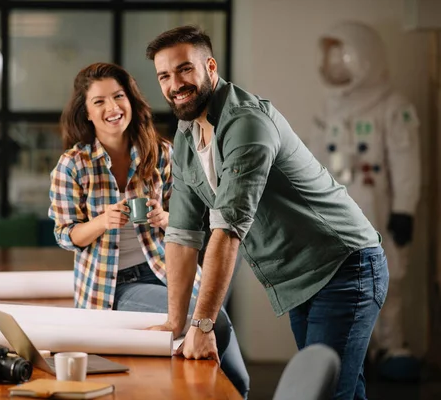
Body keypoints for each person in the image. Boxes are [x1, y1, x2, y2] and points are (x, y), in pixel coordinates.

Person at [145, 26, 389, 400]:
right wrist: (174, 325)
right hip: (301, 280)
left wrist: (203, 324)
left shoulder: (246, 123)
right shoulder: (186, 136)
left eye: (184, 69)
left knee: (323, 392)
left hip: (344, 266)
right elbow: (180, 233)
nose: (175, 84)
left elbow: (226, 229)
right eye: (164, 75)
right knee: (340, 389)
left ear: (210, 66)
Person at [47, 62, 249, 397]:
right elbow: (65, 235)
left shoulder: (162, 153)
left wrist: (167, 218)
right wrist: (101, 222)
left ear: (131, 100)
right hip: (114, 289)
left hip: (169, 270)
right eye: (99, 102)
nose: (112, 108)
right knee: (213, 320)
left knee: (212, 320)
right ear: (86, 113)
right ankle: (237, 392)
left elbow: (198, 219)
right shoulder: (72, 165)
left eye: (118, 96)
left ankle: (232, 391)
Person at [312, 21, 421, 382]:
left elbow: (406, 162)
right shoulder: (329, 108)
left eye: (344, 56)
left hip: (379, 208)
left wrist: (405, 208)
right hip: (335, 213)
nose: (337, 64)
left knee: (387, 279)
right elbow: (313, 159)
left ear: (364, 57)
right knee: (340, 284)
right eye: (333, 57)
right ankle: (355, 350)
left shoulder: (393, 106)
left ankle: (392, 346)